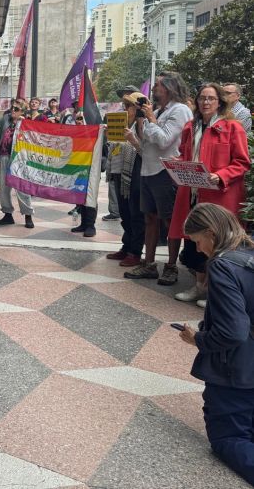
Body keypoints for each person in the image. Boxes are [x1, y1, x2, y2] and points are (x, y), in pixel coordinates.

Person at [178, 203, 254, 485]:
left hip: (237, 371)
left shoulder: (223, 265)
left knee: (229, 438)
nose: (198, 250)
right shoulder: (249, 251)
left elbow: (233, 331)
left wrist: (198, 338)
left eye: (198, 241)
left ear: (211, 233)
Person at [169, 83, 250, 306]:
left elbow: (242, 162)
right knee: (196, 242)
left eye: (211, 99)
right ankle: (199, 287)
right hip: (193, 193)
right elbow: (185, 154)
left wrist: (221, 175)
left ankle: (217, 294)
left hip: (220, 196)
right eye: (202, 98)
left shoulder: (233, 127)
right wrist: (177, 165)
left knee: (219, 243)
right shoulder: (190, 127)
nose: (205, 102)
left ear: (220, 102)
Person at [124, 71, 192, 284]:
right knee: (149, 218)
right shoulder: (159, 111)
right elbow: (147, 144)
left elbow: (164, 142)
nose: (154, 89)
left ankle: (171, 266)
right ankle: (149, 263)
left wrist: (151, 119)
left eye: (159, 85)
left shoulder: (179, 110)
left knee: (170, 221)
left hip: (165, 172)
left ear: (171, 87)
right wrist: (140, 127)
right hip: (148, 169)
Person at [106, 91, 147, 268]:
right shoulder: (123, 122)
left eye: (129, 106)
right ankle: (126, 246)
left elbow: (146, 152)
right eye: (125, 105)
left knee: (135, 215)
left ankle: (135, 252)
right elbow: (115, 146)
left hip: (135, 175)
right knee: (124, 213)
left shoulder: (142, 125)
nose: (125, 109)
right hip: (119, 172)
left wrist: (132, 139)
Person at [0, 98, 35, 228]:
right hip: (4, 156)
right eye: (12, 108)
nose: (12, 110)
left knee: (21, 188)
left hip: (19, 159)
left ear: (22, 111)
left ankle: (28, 215)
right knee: (3, 187)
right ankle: (7, 214)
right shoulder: (6, 119)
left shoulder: (27, 124)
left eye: (16, 109)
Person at [69, 112, 98, 237]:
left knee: (90, 197)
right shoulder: (74, 133)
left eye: (81, 118)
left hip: (91, 169)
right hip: (77, 170)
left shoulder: (95, 133)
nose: (78, 121)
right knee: (80, 196)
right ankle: (83, 224)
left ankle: (91, 225)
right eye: (76, 119)